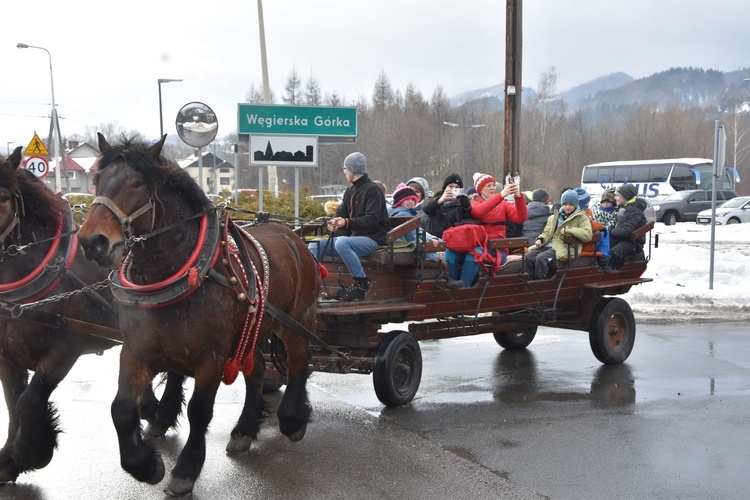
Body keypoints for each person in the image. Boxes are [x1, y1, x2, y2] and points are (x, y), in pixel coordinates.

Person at [308, 152, 390, 301]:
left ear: (352, 170)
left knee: (342, 242)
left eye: (345, 169)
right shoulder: (349, 191)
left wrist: (345, 222)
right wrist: (333, 225)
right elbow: (340, 216)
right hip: (349, 240)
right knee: (315, 245)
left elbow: (371, 220)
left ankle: (360, 283)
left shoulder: (373, 190)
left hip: (371, 239)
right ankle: (311, 282)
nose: (344, 172)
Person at [445, 172, 527, 288]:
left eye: (493, 185)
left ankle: (464, 288)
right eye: (488, 186)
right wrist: (501, 195)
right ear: (480, 189)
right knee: (451, 252)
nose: (492, 188)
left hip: (496, 248)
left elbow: (521, 218)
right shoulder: (474, 203)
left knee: (475, 254)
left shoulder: (503, 205)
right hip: (475, 244)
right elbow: (478, 212)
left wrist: (518, 196)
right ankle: (451, 285)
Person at [523, 189, 592, 280]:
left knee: (541, 258)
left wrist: (569, 230)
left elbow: (588, 234)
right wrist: (540, 240)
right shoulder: (554, 217)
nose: (567, 207)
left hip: (564, 247)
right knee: (527, 256)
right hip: (548, 245)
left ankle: (540, 284)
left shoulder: (581, 217)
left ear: (575, 204)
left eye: (570, 204)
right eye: (565, 204)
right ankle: (529, 281)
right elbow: (546, 232)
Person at [388, 183, 441, 262]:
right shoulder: (402, 215)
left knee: (439, 243)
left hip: (400, 243)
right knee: (442, 252)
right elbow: (413, 239)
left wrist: (430, 238)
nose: (410, 202)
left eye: (413, 199)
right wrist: (432, 255)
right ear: (399, 201)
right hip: (401, 244)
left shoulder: (402, 212)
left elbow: (416, 230)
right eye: (407, 199)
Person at [608, 183, 648, 270]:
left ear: (625, 197)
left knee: (613, 252)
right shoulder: (625, 208)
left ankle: (611, 273)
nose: (615, 198)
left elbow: (626, 231)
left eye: (617, 196)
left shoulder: (634, 211)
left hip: (633, 242)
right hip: (622, 239)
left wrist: (611, 231)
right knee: (602, 245)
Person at [421, 173, 472, 238]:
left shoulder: (461, 204)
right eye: (451, 186)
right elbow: (426, 209)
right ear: (445, 188)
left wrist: (465, 204)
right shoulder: (436, 200)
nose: (453, 189)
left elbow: (468, 217)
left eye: (457, 187)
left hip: (453, 241)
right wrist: (440, 200)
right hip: (434, 241)